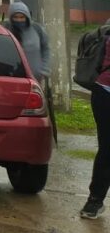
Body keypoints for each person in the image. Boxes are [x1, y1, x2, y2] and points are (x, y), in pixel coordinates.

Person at [81, 19, 110, 220]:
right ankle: (95, 200)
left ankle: (94, 201)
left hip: (102, 92)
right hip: (105, 93)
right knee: (107, 148)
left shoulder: (106, 31)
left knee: (106, 148)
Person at [2, 1, 50, 84]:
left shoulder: (37, 29)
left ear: (27, 16)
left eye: (22, 17)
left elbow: (46, 49)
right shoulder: (5, 31)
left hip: (35, 78)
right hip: (12, 77)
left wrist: (44, 70)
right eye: (15, 17)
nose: (19, 20)